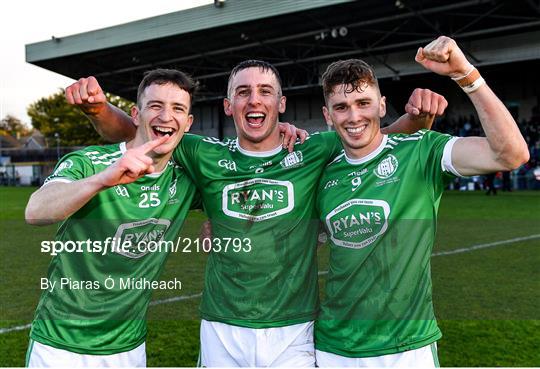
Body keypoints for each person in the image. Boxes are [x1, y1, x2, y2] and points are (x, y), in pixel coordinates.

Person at [67, 60, 445, 367]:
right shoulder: (203, 155)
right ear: (228, 106)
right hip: (222, 328)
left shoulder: (314, 150)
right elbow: (148, 132)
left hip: (294, 330)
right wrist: (98, 109)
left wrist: (418, 118)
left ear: (281, 104)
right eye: (243, 92)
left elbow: (369, 135)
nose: (255, 100)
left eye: (266, 92)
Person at [314, 36, 529, 367]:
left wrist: (465, 75)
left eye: (363, 103)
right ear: (328, 116)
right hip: (333, 349)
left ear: (382, 105)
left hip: (406, 349)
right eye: (341, 107)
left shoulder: (421, 151)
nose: (353, 116)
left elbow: (511, 154)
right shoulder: (321, 171)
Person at [24, 69, 199, 367]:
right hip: (59, 345)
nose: (166, 116)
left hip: (128, 348)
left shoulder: (187, 179)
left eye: (178, 108)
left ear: (188, 122)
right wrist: (104, 179)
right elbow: (36, 211)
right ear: (135, 114)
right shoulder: (89, 162)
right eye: (155, 106)